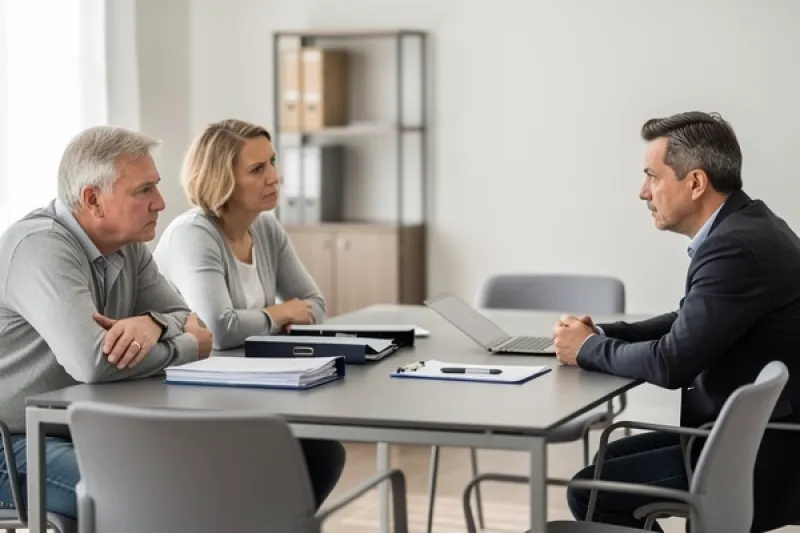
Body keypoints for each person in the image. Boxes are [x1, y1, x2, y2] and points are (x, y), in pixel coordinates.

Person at [553, 111, 800, 532]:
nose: (642, 192)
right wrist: (604, 334)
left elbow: (672, 363)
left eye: (652, 176)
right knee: (607, 464)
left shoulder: (736, 248)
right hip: (751, 436)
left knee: (590, 489)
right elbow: (690, 322)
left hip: (753, 454)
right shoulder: (748, 227)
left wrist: (588, 350)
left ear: (696, 183)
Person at [0, 126, 214, 519]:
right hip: (13, 441)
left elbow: (188, 316)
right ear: (92, 200)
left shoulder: (129, 247)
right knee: (145, 490)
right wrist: (186, 346)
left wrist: (150, 324)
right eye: (143, 190)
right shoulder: (40, 247)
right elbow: (93, 363)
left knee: (259, 463)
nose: (161, 202)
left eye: (156, 187)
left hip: (81, 426)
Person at [152, 118, 344, 507]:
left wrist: (280, 316)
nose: (275, 177)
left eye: (272, 162)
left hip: (252, 385)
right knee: (302, 458)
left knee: (322, 453)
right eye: (258, 169)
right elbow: (220, 329)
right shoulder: (194, 233)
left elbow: (316, 304)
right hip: (190, 398)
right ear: (220, 179)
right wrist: (279, 315)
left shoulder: (267, 228)